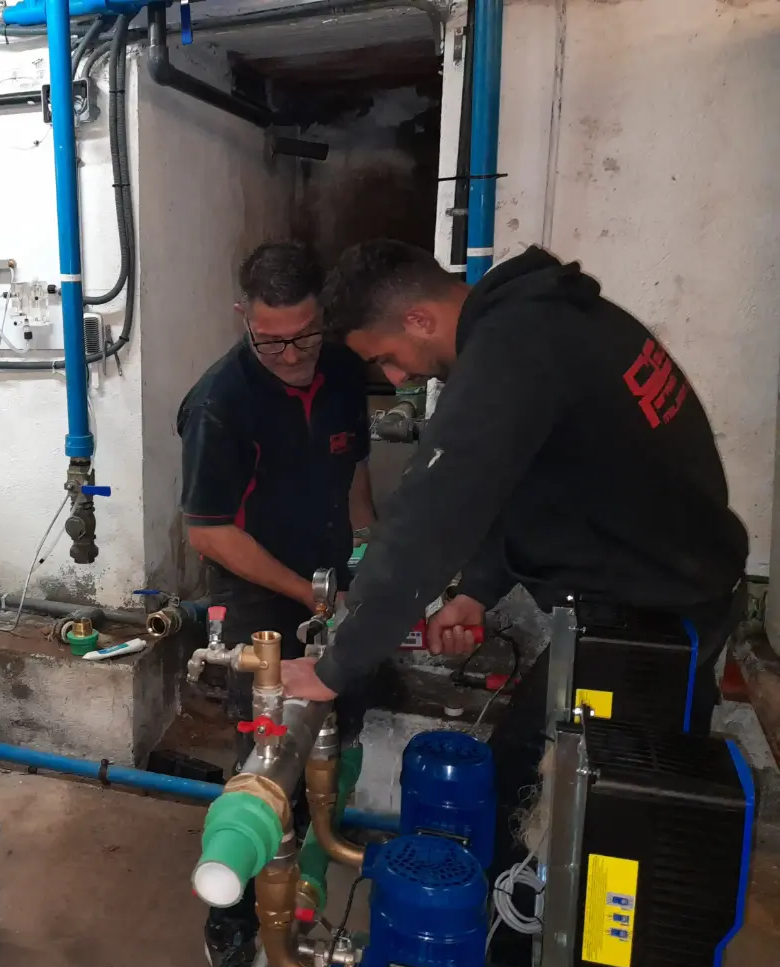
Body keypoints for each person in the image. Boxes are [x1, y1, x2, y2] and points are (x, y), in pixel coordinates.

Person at [281, 240, 748, 903]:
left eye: (383, 356)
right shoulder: (548, 322)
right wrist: (477, 590)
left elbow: (426, 518)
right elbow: (531, 475)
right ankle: (528, 944)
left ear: (417, 319)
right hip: (663, 592)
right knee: (540, 793)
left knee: (575, 820)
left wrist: (333, 670)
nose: (399, 375)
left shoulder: (512, 349)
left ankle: (512, 966)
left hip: (656, 623)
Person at [176, 241, 376, 967]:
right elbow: (208, 530)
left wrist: (368, 552)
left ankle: (314, 860)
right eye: (272, 339)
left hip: (331, 579)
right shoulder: (221, 401)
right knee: (263, 762)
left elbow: (353, 468)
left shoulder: (344, 373)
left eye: (305, 334)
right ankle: (231, 929)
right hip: (259, 596)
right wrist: (306, 593)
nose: (291, 354)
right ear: (243, 320)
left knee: (335, 730)